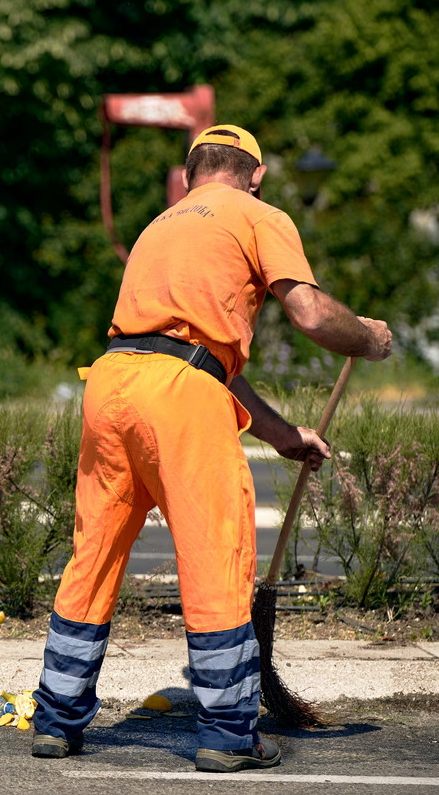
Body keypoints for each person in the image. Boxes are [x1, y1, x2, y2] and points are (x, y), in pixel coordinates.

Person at [29, 125, 393, 773]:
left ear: (193, 171)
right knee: (216, 554)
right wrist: (364, 336)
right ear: (255, 175)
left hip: (111, 384)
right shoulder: (258, 214)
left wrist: (282, 434)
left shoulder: (158, 226)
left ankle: (56, 719)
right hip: (180, 396)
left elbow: (200, 354)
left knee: (94, 555)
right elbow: (308, 314)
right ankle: (228, 734)